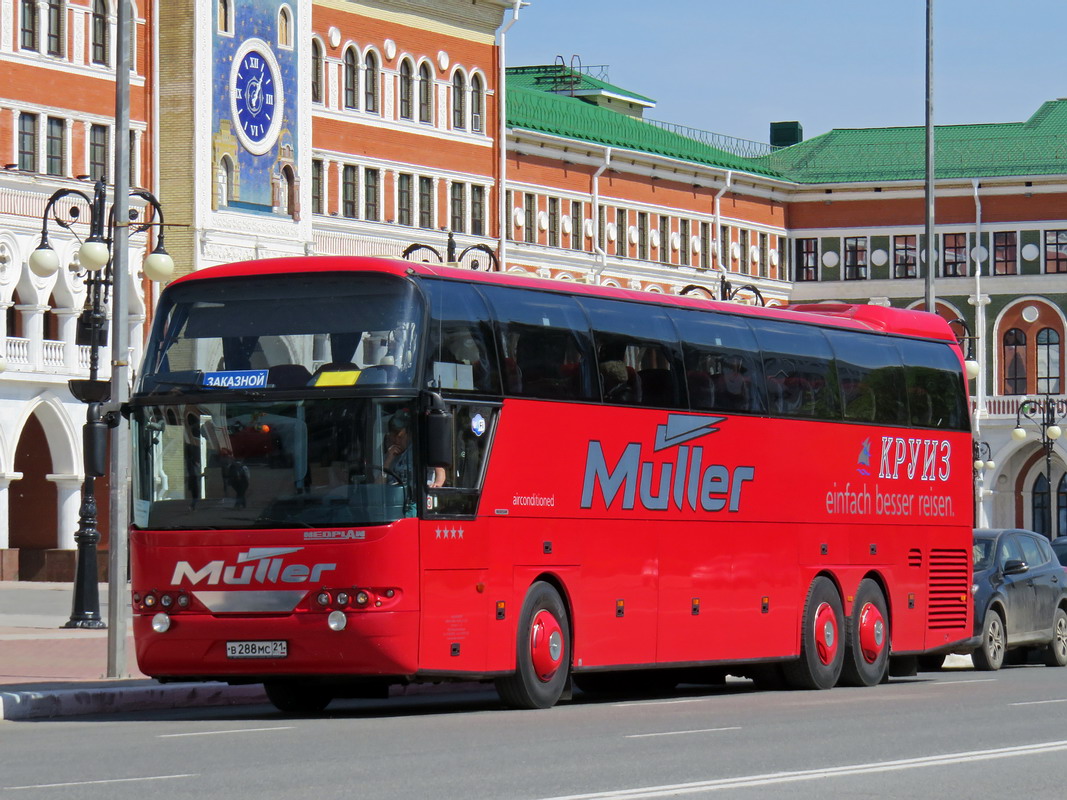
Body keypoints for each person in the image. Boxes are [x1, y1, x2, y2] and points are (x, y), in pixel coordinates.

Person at [381, 409, 446, 488]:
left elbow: (440, 471)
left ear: (410, 435)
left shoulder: (421, 450)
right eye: (393, 436)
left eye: (400, 436)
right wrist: (388, 461)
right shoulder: (388, 456)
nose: (396, 440)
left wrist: (437, 484)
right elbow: (378, 485)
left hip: (419, 497)